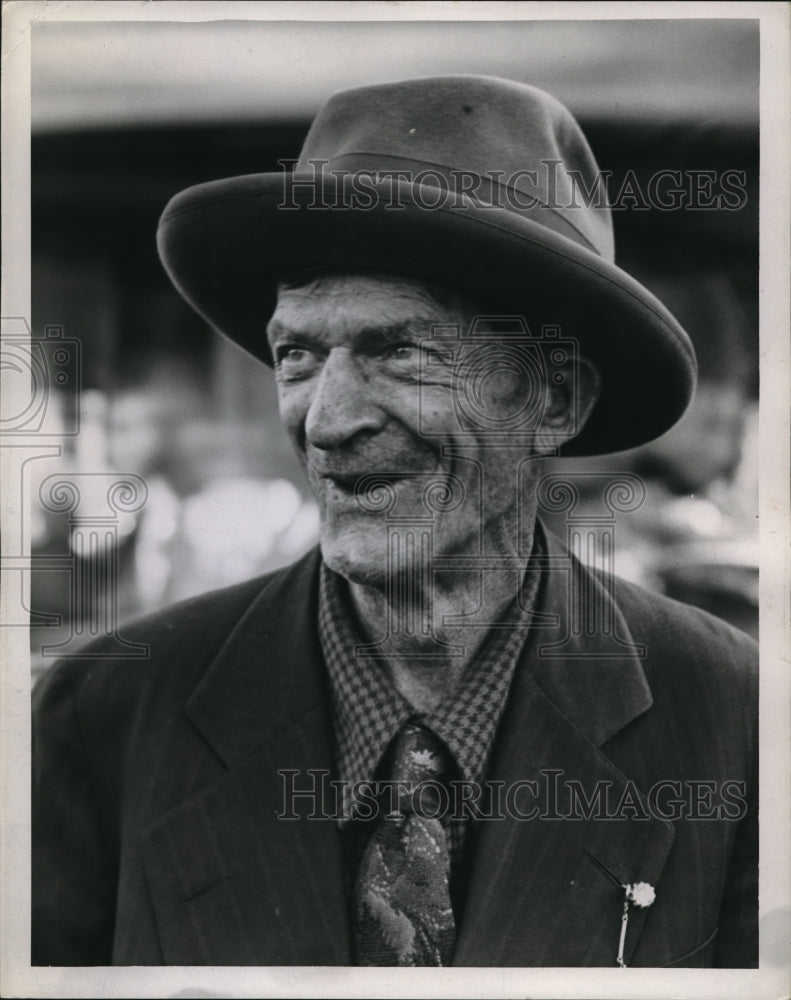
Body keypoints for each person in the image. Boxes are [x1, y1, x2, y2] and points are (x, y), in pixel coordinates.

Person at [32, 76, 757, 968]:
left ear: (553, 398)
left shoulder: (734, 717)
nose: (328, 421)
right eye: (297, 356)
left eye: (400, 351)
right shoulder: (109, 712)